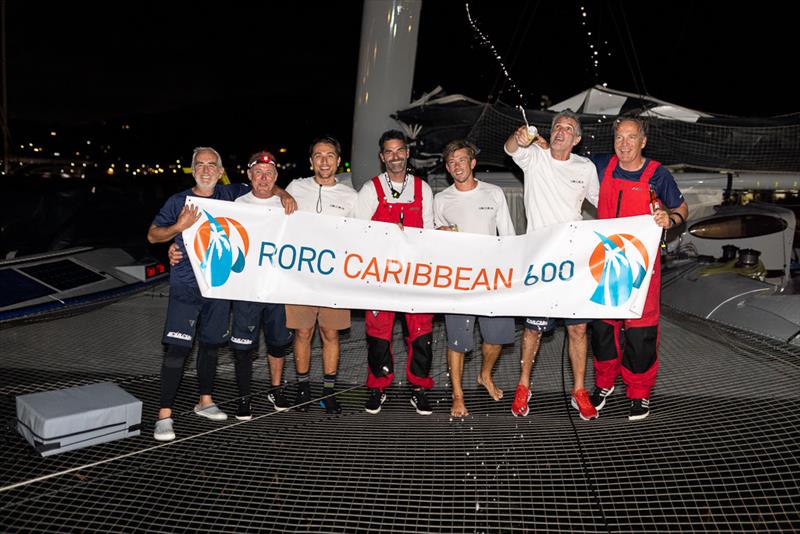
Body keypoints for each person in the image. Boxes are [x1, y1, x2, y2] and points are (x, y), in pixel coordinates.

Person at [588, 116, 688, 421]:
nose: (624, 144)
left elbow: (681, 208)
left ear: (643, 141)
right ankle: (604, 385)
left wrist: (669, 219)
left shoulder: (658, 174)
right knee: (604, 330)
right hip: (605, 263)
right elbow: (563, 158)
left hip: (643, 268)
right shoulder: (603, 166)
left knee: (640, 333)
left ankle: (639, 393)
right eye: (619, 138)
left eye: (631, 138)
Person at [503, 110, 600, 421]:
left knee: (578, 328)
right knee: (533, 329)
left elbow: (605, 204)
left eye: (568, 128)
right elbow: (511, 148)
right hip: (539, 259)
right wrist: (520, 136)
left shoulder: (585, 167)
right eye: (558, 126)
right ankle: (523, 385)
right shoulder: (535, 156)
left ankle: (580, 391)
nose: (561, 131)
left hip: (573, 260)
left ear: (577, 139)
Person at [147, 147, 249, 441]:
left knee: (211, 344)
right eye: (200, 165)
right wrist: (178, 228)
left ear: (220, 171)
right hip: (186, 285)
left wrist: (285, 195)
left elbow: (263, 186)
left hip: (219, 285)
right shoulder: (179, 201)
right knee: (178, 349)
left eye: (212, 165)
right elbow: (153, 235)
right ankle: (164, 414)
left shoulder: (232, 195)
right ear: (193, 170)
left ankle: (205, 401)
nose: (206, 169)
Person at [354, 129, 436, 415]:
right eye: (389, 152)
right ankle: (377, 386)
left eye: (399, 150)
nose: (395, 156)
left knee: (421, 331)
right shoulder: (370, 189)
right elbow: (357, 232)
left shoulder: (422, 188)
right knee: (379, 333)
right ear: (381, 157)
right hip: (381, 275)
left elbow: (428, 231)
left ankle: (419, 386)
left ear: (408, 152)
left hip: (415, 274)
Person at [434, 140, 516, 417]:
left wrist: (511, 275)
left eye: (461, 160)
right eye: (451, 162)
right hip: (458, 281)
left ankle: (484, 375)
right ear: (447, 168)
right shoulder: (441, 199)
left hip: (492, 279)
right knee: (457, 342)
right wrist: (439, 232)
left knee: (496, 339)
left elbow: (508, 236)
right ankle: (457, 396)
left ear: (472, 163)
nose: (457, 166)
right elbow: (431, 241)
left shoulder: (494, 193)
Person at [284, 136, 358, 414]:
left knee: (330, 333)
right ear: (311, 160)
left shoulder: (351, 196)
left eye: (330, 155)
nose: (324, 160)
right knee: (303, 331)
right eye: (318, 155)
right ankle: (303, 389)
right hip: (301, 276)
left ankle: (329, 391)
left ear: (339, 161)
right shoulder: (295, 188)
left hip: (334, 278)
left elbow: (366, 234)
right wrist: (281, 194)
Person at [227, 152, 295, 419]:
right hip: (247, 289)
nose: (264, 178)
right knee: (244, 347)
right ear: (249, 175)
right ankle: (244, 397)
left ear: (276, 177)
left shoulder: (288, 205)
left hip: (277, 288)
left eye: (269, 173)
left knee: (278, 344)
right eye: (258, 172)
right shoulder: (236, 204)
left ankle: (276, 389)